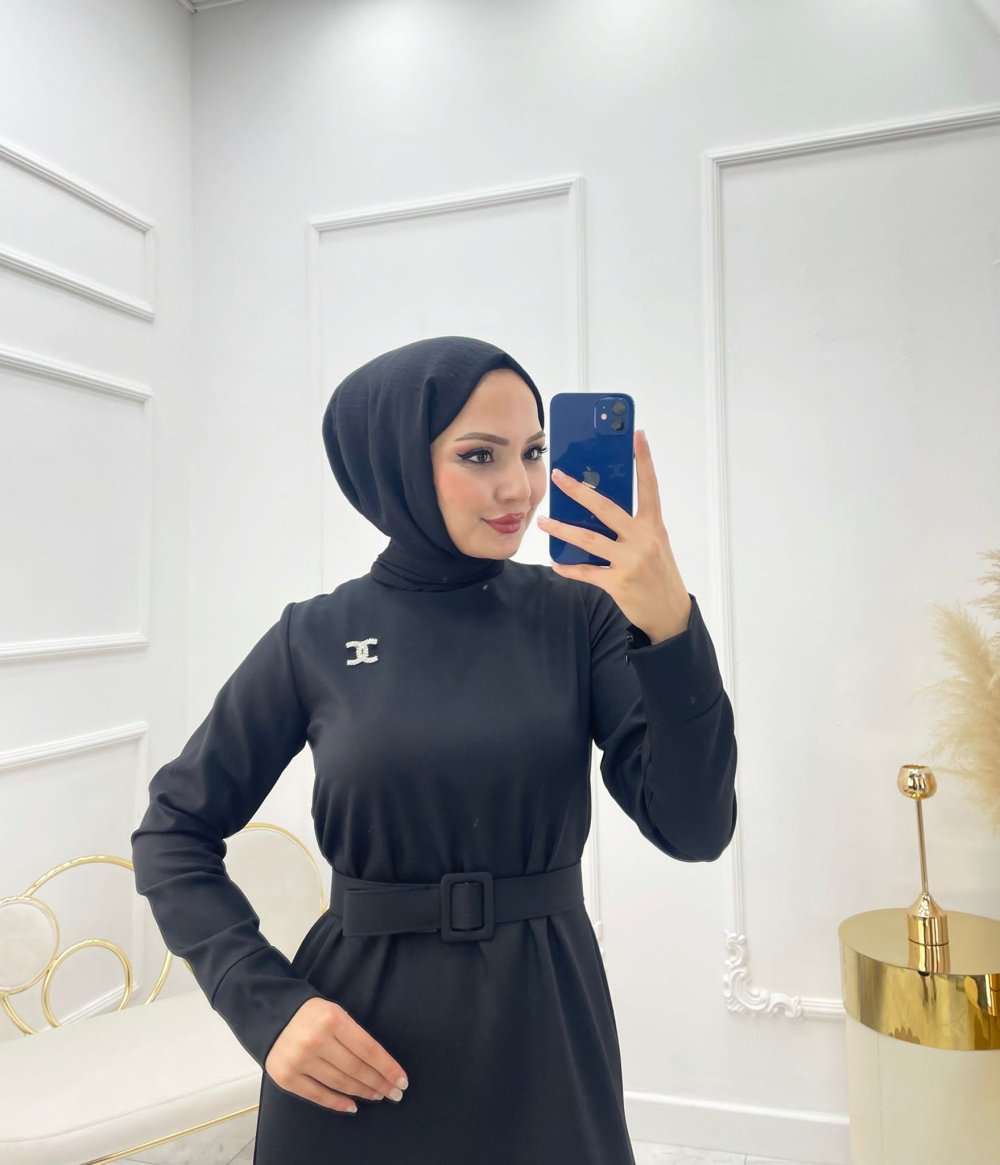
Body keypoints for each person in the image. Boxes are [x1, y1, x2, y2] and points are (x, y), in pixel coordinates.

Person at [130, 335, 738, 1165]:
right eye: (480, 454)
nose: (519, 486)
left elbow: (696, 826)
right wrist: (265, 1004)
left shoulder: (580, 616)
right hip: (357, 1047)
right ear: (396, 463)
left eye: (533, 451)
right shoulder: (315, 636)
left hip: (545, 1032)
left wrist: (670, 629)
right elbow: (173, 829)